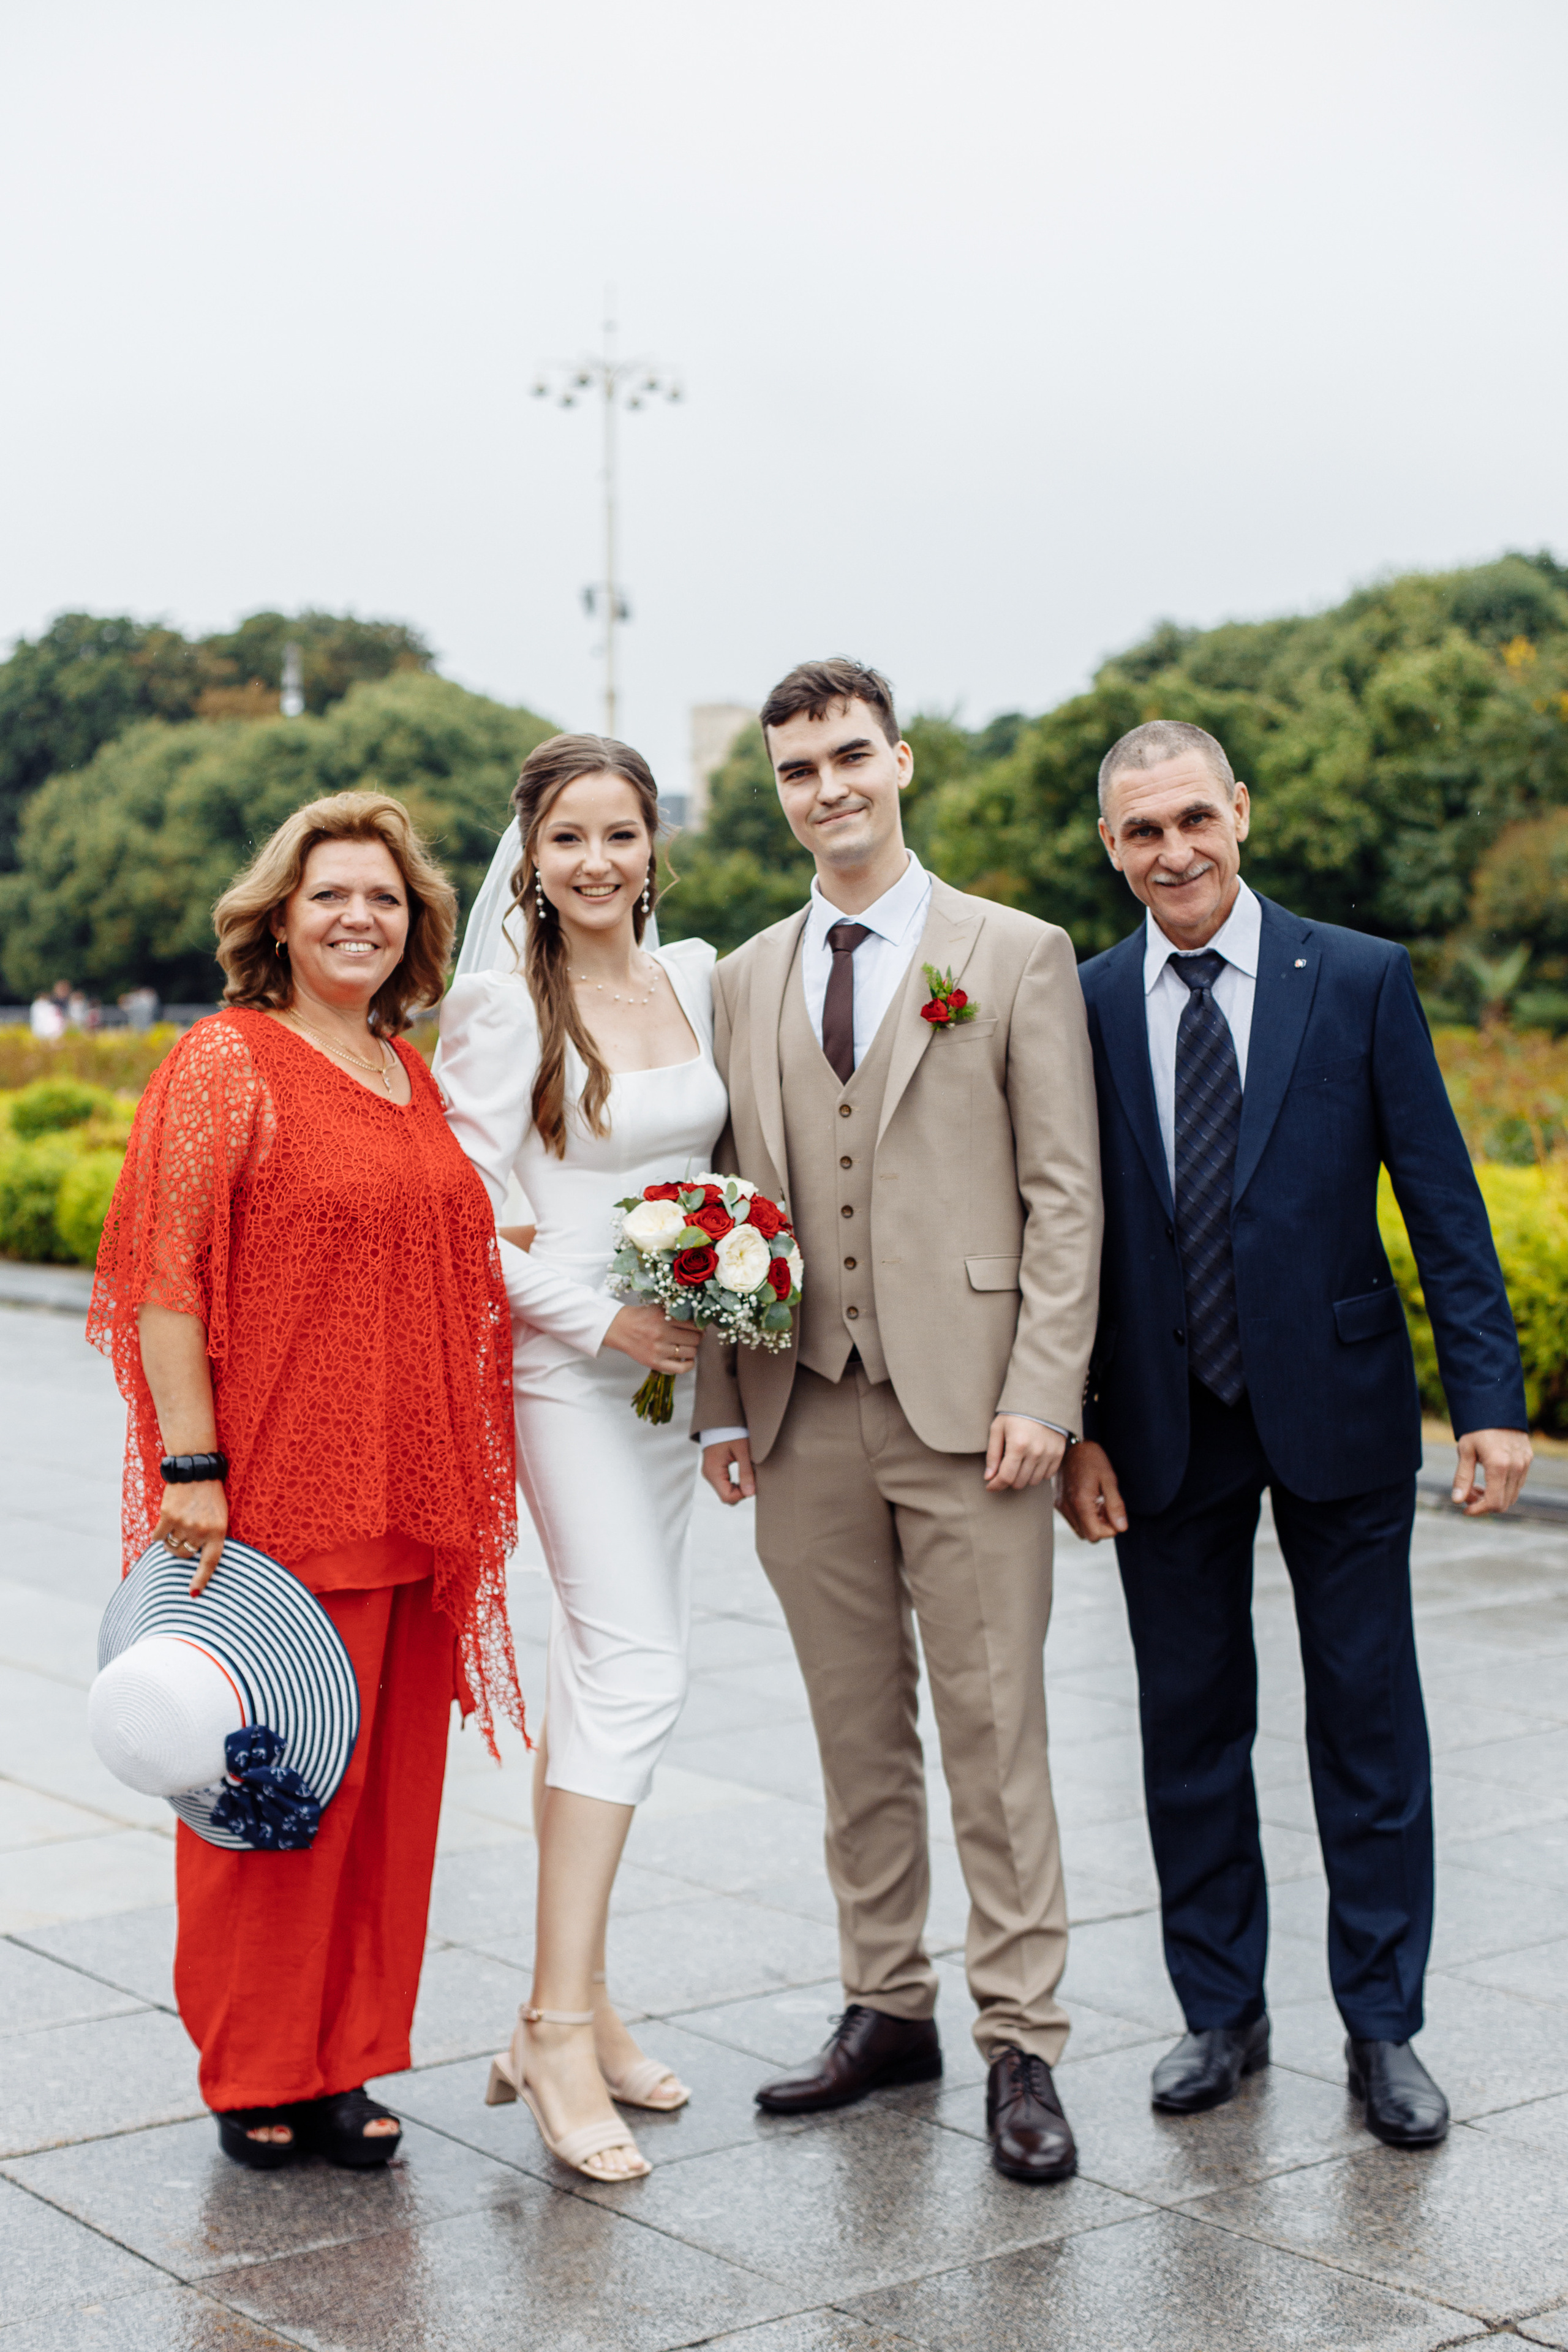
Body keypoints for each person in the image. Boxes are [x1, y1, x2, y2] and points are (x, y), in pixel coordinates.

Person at [1061, 719, 1532, 2149]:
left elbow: (1442, 1209)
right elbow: (1059, 1232)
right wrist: (1078, 1422)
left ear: (1239, 813)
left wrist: (1492, 1403)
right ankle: (1220, 2012)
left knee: (1365, 1723)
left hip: (1336, 1407)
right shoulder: (1076, 1004)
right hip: (1159, 1417)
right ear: (1110, 847)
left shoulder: (1359, 980)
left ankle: (1382, 2028)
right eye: (1141, 832)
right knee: (1188, 1728)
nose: (1173, 852)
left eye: (1192, 819)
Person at [696, 659, 1102, 2184]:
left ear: (901, 762)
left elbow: (1065, 1194)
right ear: (780, 792)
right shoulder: (743, 976)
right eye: (797, 771)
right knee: (852, 1734)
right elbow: (731, 1205)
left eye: (848, 757)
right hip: (803, 1410)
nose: (827, 789)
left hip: (971, 1410)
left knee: (997, 1738)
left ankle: (1022, 2038)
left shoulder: (1011, 951)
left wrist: (1041, 1394)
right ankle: (887, 2005)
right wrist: (728, 1408)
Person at [89, 790, 521, 2169]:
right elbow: (167, 1281)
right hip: (276, 1497)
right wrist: (192, 1463)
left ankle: (347, 2062)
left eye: (385, 900)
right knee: (267, 1792)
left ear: (415, 929)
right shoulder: (229, 1059)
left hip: (412, 1492)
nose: (359, 917)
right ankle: (255, 2070)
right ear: (279, 913)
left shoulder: (413, 1073)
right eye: (332, 894)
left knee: (383, 1804)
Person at [439, 733, 726, 2184]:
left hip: (671, 1391)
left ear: (651, 847)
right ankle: (550, 2024)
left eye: (620, 835)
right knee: (638, 1671)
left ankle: (589, 1998)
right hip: (562, 1371)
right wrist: (600, 1316)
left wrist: (709, 1363)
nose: (598, 863)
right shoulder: (500, 1011)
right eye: (568, 840)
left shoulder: (695, 977)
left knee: (593, 1681)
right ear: (531, 860)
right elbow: (470, 1228)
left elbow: (721, 1188)